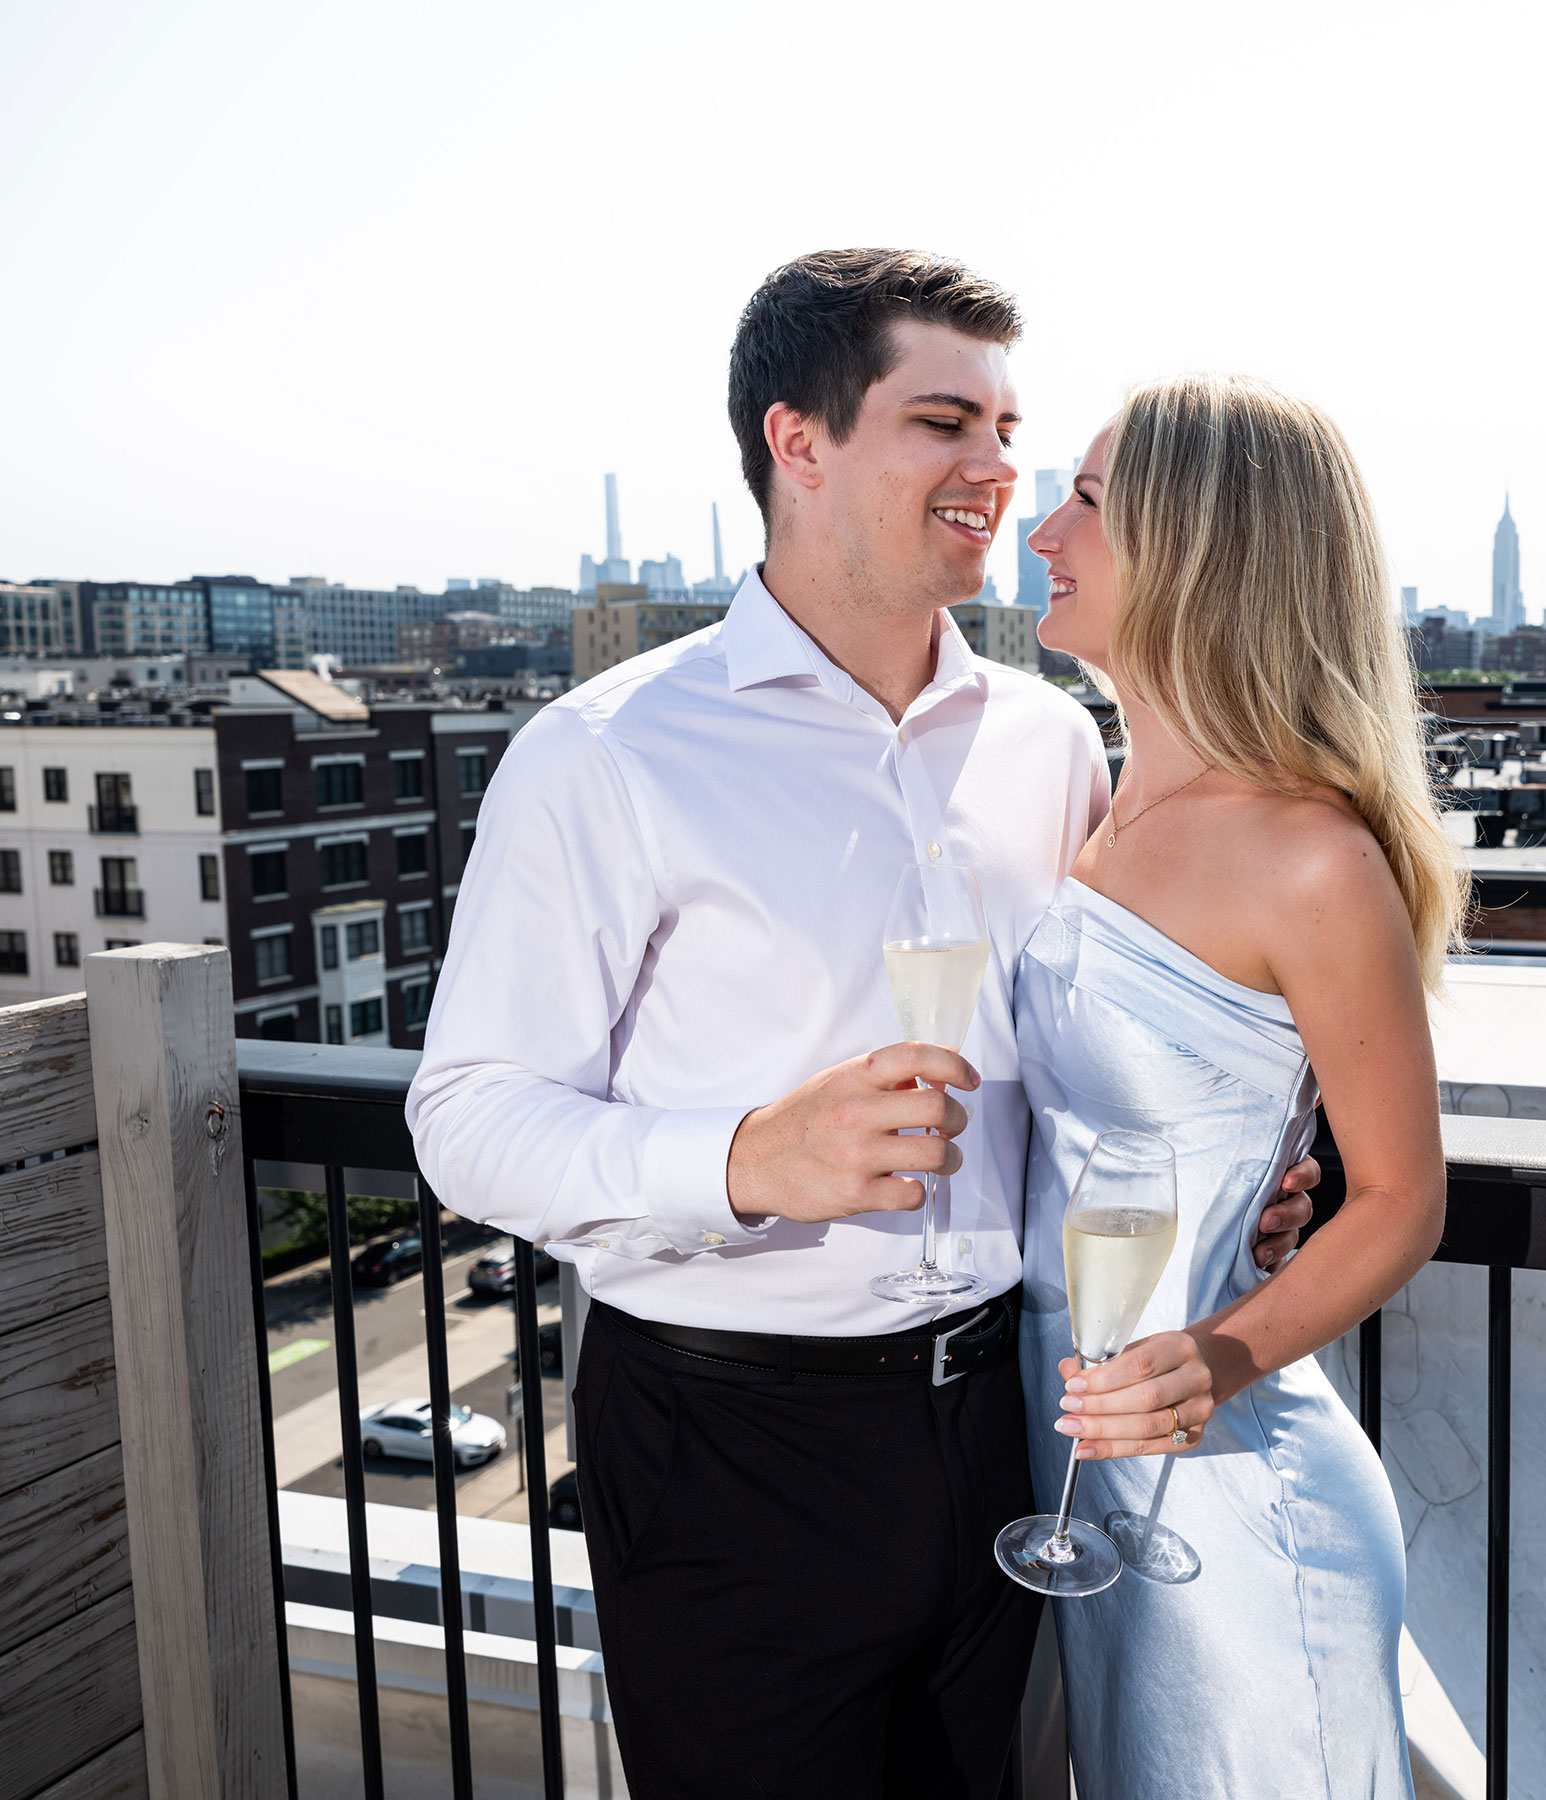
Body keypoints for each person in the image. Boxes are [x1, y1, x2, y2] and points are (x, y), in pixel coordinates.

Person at [405, 251, 1316, 1799]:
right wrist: (753, 1156)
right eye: (943, 422)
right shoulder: (605, 754)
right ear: (799, 440)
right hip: (725, 1447)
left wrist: (1248, 1183)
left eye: (1009, 430)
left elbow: (1116, 1040)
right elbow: (466, 1118)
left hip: (1004, 1438)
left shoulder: (1052, 740)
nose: (997, 473)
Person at [1012, 374, 1460, 1797]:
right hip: (1081, 1469)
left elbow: (1399, 1198)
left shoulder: (1309, 855)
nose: (1041, 531)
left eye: (1086, 500)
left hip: (1233, 1492)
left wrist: (1215, 1356)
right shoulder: (1090, 798)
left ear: (1199, 550)